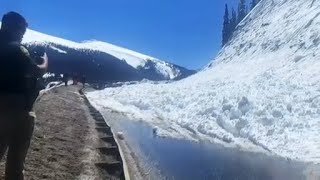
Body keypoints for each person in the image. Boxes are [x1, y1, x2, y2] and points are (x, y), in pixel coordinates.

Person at [0, 12, 48, 180]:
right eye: (21, 31)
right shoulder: (18, 49)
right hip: (16, 109)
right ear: (15, 28)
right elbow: (37, 71)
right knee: (15, 164)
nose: (22, 36)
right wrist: (44, 60)